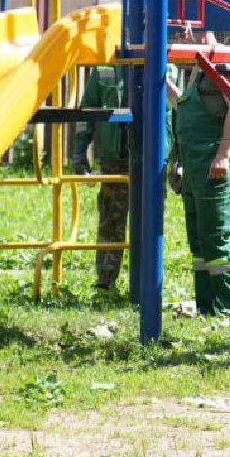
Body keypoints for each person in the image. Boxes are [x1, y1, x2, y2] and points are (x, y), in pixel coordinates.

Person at [171, 47, 230, 314]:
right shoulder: (196, 68)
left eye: (191, 30)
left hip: (213, 161)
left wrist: (224, 155)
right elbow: (183, 109)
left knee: (214, 237)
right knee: (197, 239)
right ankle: (208, 306)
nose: (185, 35)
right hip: (193, 165)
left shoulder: (226, 63)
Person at [69, 66, 129, 291]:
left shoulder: (166, 67)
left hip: (151, 159)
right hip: (115, 159)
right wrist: (79, 153)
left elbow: (176, 114)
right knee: (111, 219)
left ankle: (147, 283)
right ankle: (106, 280)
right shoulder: (105, 68)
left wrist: (178, 158)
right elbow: (87, 112)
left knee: (150, 225)